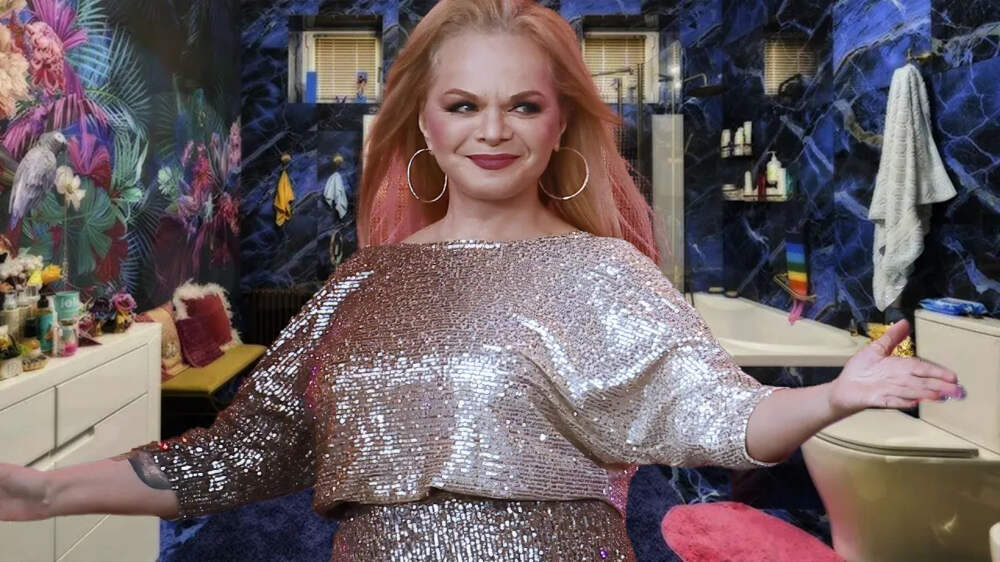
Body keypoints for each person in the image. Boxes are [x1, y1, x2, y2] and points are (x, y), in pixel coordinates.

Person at [0, 1, 963, 560]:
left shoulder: (605, 273)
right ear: (424, 124)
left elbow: (723, 414)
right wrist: (44, 494)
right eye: (463, 104)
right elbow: (242, 455)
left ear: (558, 123)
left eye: (522, 105)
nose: (492, 130)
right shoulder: (363, 283)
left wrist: (831, 397)